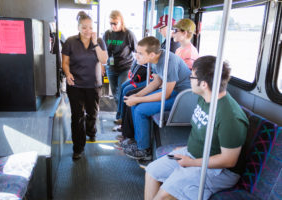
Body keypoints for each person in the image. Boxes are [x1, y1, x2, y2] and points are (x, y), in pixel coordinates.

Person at [144, 56, 249, 200]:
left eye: (192, 77)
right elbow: (202, 132)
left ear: (204, 84)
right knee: (151, 171)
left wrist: (192, 163)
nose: (189, 80)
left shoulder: (230, 116)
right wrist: (185, 147)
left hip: (219, 170)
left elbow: (228, 160)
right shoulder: (204, 98)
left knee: (164, 195)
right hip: (193, 154)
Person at [123, 36, 191, 160]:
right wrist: (137, 95)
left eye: (140, 54)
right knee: (135, 104)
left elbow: (166, 94)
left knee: (139, 109)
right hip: (173, 92)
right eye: (136, 52)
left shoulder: (168, 62)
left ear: (152, 54)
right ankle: (140, 143)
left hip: (183, 97)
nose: (136, 56)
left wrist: (138, 99)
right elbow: (157, 82)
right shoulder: (155, 60)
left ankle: (144, 150)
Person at [62, 11, 108, 160]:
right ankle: (78, 148)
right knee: (77, 116)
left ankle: (91, 131)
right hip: (75, 85)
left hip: (93, 85)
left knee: (92, 113)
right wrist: (67, 73)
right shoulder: (70, 41)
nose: (87, 30)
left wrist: (95, 43)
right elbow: (65, 63)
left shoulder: (99, 41)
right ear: (78, 27)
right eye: (84, 27)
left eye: (90, 27)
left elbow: (104, 59)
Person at [103, 10, 138, 108]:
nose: (113, 26)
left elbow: (137, 50)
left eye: (115, 23)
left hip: (125, 67)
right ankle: (120, 113)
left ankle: (121, 117)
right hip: (111, 67)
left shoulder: (128, 34)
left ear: (121, 22)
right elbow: (103, 52)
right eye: (111, 23)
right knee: (114, 93)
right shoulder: (107, 34)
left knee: (122, 91)